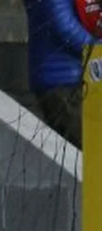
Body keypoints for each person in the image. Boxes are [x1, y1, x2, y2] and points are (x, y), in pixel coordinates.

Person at [26, 0, 101, 148]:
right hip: (62, 82)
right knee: (92, 150)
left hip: (87, 78)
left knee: (94, 157)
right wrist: (98, 49)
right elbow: (64, 27)